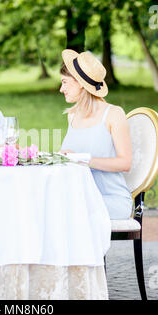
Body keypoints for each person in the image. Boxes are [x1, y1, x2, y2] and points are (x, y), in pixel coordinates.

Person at [59, 49, 133, 220]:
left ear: (80, 83)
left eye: (65, 82)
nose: (61, 89)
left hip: (110, 200)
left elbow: (125, 163)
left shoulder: (114, 113)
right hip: (79, 196)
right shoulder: (72, 116)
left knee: (64, 210)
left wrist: (81, 159)